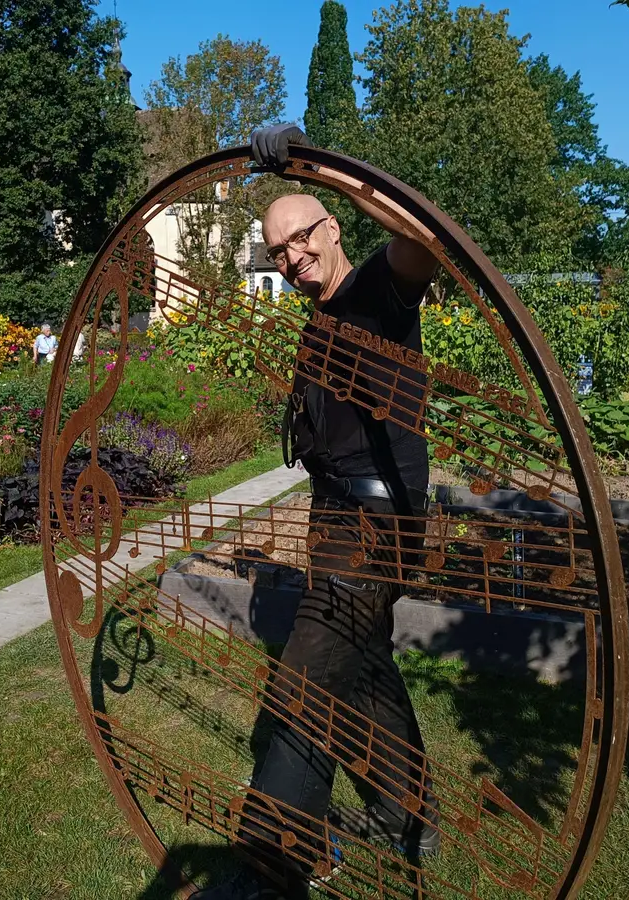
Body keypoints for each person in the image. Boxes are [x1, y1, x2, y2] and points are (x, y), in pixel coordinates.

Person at [198, 123, 442, 899]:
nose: (292, 258)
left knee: (305, 681)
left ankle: (269, 867)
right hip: (337, 517)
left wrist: (321, 167)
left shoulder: (377, 290)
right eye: (277, 251)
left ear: (331, 230)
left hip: (379, 524)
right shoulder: (319, 315)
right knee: (361, 666)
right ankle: (409, 813)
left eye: (301, 240)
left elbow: (422, 237)